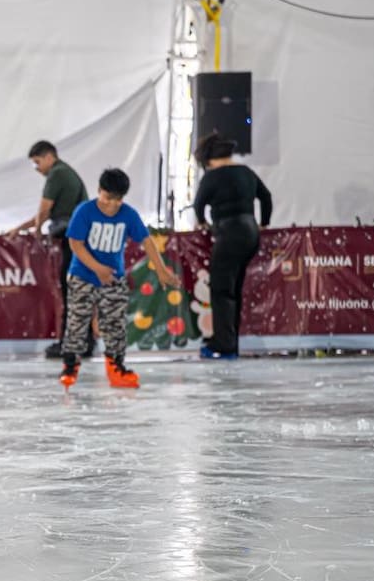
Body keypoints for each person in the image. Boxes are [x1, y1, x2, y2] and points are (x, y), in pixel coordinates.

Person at [58, 168, 179, 389]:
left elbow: (147, 241)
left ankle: (116, 367)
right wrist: (97, 269)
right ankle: (70, 364)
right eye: (107, 198)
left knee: (114, 325)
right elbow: (75, 244)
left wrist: (161, 270)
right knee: (77, 321)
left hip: (113, 278)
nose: (112, 204)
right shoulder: (85, 211)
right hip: (82, 276)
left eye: (117, 199)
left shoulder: (128, 215)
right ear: (98, 191)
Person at [5, 140, 92, 358]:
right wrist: (22, 227)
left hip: (75, 241)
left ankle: (70, 343)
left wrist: (34, 230)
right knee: (77, 291)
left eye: (37, 163)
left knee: (69, 290)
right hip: (80, 240)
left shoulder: (57, 174)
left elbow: (44, 210)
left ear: (49, 157)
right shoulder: (66, 172)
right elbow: (42, 216)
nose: (37, 169)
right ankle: (84, 342)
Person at [192, 133, 272, 360]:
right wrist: (264, 223)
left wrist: (202, 223)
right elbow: (266, 197)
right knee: (234, 289)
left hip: (228, 234)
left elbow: (198, 205)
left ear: (209, 160)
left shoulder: (212, 177)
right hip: (250, 234)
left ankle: (223, 346)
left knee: (221, 290)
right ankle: (231, 342)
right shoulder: (246, 172)